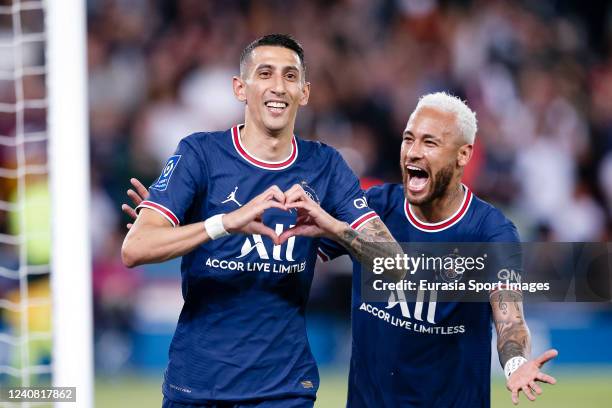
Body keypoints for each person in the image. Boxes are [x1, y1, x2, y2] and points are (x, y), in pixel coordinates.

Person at [121, 34, 403, 408]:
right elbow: (135, 248)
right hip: (196, 385)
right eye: (265, 73)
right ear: (241, 88)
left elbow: (396, 266)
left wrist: (331, 226)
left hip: (283, 390)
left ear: (304, 93)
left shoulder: (326, 166)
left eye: (290, 76)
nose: (278, 87)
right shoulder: (200, 154)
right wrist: (225, 222)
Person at [317, 92, 558, 407]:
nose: (413, 153)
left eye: (429, 143)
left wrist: (514, 363)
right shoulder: (373, 210)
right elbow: (293, 254)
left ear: (462, 155)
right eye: (409, 139)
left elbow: (510, 319)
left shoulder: (491, 232)